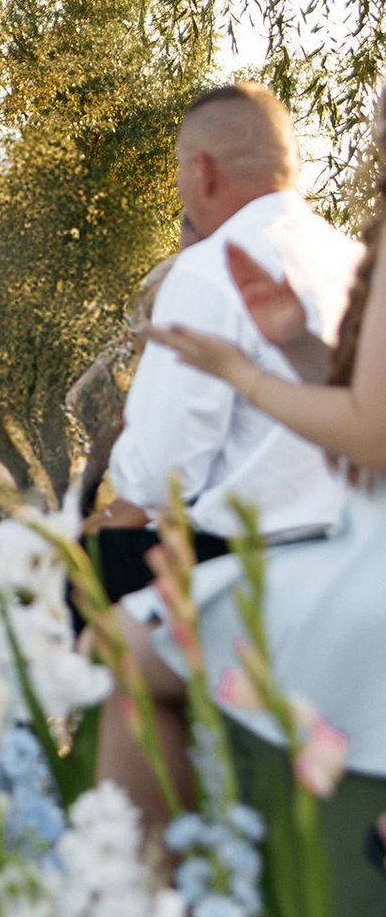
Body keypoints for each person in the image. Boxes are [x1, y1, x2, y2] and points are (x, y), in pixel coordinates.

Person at [100, 81, 386, 917]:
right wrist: (300, 345)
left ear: (201, 172)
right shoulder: (353, 253)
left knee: (132, 639)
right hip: (345, 532)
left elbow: (369, 432)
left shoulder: (217, 262)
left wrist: (244, 370)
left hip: (338, 560)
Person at [97, 82, 360, 591]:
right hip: (353, 553)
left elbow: (158, 477)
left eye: (179, 167)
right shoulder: (354, 262)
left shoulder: (209, 269)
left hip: (242, 564)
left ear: (203, 170)